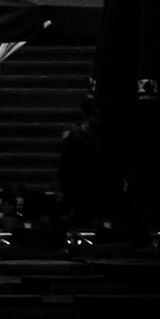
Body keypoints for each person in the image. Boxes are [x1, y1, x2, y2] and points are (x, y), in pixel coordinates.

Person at [58, 97, 109, 226]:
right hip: (82, 196)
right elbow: (66, 170)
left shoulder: (101, 136)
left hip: (99, 194)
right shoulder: (77, 138)